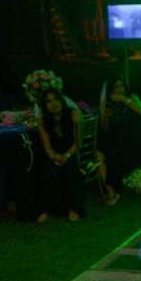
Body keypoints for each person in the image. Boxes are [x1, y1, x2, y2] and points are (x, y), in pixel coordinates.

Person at [36, 90, 85, 223]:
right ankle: (45, 209)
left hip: (72, 151)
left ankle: (73, 208)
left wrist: (67, 155)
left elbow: (78, 141)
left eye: (56, 99)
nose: (53, 104)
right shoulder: (42, 120)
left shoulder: (74, 114)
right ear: (44, 105)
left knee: (69, 168)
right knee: (48, 169)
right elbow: (46, 146)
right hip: (54, 153)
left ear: (62, 100)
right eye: (49, 101)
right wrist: (54, 156)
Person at [98, 75, 141, 204]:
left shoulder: (131, 98)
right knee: (100, 153)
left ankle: (129, 184)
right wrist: (105, 113)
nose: (120, 89)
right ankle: (111, 190)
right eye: (116, 87)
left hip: (135, 138)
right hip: (117, 140)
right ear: (111, 90)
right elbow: (104, 128)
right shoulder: (109, 104)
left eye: (122, 86)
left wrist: (122, 99)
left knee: (118, 152)